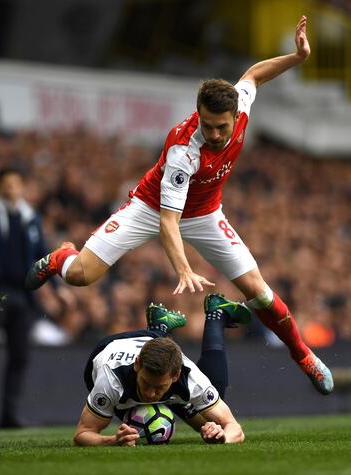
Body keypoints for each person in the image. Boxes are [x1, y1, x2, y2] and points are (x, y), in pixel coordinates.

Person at [26, 16, 333, 396]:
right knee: (80, 277)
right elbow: (168, 221)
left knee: (260, 292)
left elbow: (253, 75)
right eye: (207, 126)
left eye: (222, 126)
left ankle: (304, 355)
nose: (215, 134)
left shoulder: (240, 105)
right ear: (198, 116)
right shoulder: (182, 150)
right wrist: (183, 269)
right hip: (151, 207)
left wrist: (297, 57)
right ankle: (61, 257)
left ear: (236, 115)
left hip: (204, 213)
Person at [74, 294, 251, 446]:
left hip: (152, 346)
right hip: (111, 347)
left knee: (208, 424)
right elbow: (82, 434)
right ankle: (163, 327)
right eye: (146, 383)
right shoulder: (110, 380)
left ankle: (212, 315)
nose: (150, 394)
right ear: (137, 365)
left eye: (159, 387)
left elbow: (234, 427)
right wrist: (113, 440)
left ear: (175, 376)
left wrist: (223, 437)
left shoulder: (190, 378)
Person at [0, 167, 72, 428]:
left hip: (23, 295)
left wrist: (60, 290)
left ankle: (8, 413)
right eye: (6, 183)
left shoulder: (29, 217)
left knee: (20, 355)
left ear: (22, 187)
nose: (10, 188)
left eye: (15, 183)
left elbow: (42, 257)